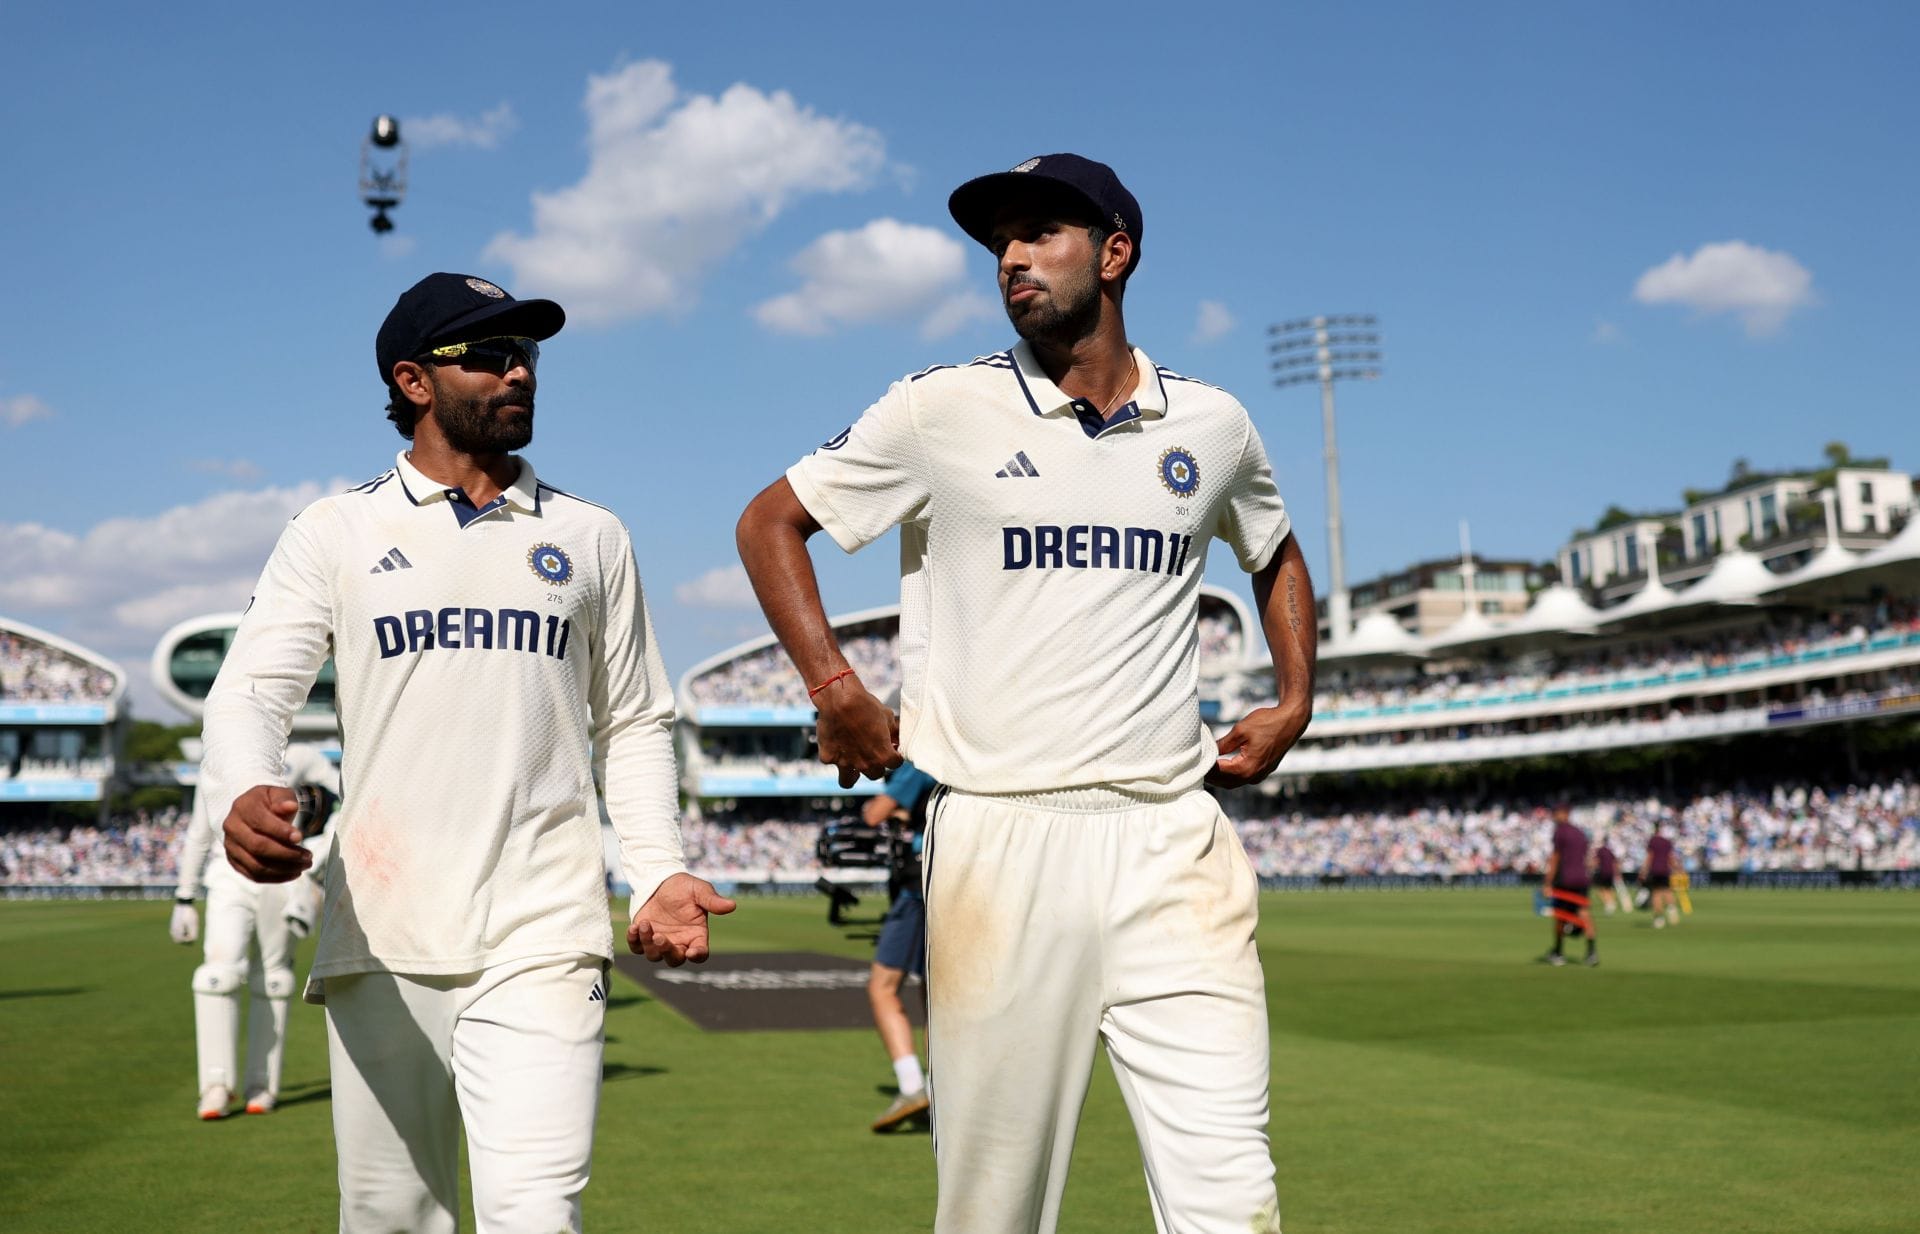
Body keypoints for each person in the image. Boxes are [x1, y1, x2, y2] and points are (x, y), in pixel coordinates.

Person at [737, 154, 1313, 1234]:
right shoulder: (938, 407)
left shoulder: (1214, 424)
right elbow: (771, 521)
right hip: (1001, 840)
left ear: (1115, 252)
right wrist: (834, 683)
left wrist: (1295, 698)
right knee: (993, 1210)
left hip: (1173, 837)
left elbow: (1273, 550)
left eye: (1041, 231)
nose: (1011, 256)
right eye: (1000, 240)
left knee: (1234, 1197)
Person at [202, 272, 734, 1233]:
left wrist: (657, 870)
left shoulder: (591, 535)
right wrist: (246, 787)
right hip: (382, 926)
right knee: (390, 1217)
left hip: (544, 927)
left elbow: (634, 721)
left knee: (535, 1214)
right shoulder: (336, 530)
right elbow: (249, 693)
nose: (518, 371)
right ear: (413, 381)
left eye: (525, 353)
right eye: (487, 354)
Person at [169, 742, 339, 1118]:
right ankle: (216, 1085)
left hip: (283, 874)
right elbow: (199, 831)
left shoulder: (302, 757)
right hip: (228, 872)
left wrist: (317, 857)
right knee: (217, 975)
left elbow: (349, 797)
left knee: (273, 980)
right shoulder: (219, 758)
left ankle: (262, 1085)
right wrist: (184, 897)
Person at [865, 756, 937, 1132]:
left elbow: (874, 814)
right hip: (950, 882)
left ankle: (912, 1086)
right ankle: (939, 1088)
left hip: (917, 889)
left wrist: (893, 811)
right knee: (933, 997)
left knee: (882, 988)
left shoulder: (920, 762)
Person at [1539, 805, 1598, 967]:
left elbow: (1555, 857)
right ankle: (1592, 952)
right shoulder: (1580, 832)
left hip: (1565, 879)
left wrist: (1547, 883)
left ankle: (1558, 952)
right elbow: (1586, 857)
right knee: (1584, 913)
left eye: (1556, 813)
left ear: (1564, 814)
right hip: (1582, 879)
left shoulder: (1560, 831)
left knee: (1561, 916)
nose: (1554, 816)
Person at [1640, 821, 1679, 927]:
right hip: (1665, 870)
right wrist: (1676, 868)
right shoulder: (1667, 842)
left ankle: (1659, 918)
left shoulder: (1653, 841)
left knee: (1656, 894)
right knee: (1667, 890)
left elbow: (1650, 856)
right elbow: (1671, 857)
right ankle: (1671, 907)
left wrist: (1644, 870)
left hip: (1655, 870)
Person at [1592, 832, 1623, 915]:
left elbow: (1596, 861)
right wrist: (1617, 873)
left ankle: (1609, 903)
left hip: (1603, 872)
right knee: (1608, 888)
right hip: (1610, 873)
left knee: (1601, 889)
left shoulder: (1600, 850)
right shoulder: (1610, 851)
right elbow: (1615, 863)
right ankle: (1611, 902)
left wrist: (1591, 868)